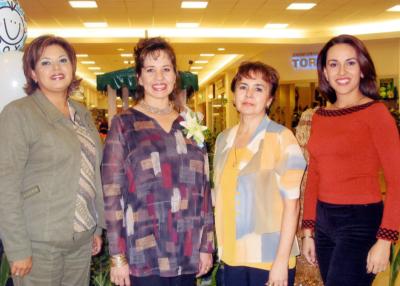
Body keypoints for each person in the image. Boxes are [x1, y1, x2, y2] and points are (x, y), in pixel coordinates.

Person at [101, 37, 214, 286]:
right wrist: (117, 256)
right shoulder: (124, 124)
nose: (159, 77)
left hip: (187, 247)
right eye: (150, 70)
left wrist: (206, 245)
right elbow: (111, 192)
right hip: (143, 250)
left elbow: (203, 189)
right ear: (139, 78)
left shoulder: (189, 123)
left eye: (166, 69)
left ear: (175, 75)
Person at [0, 35, 105, 285]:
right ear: (33, 73)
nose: (56, 68)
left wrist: (96, 228)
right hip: (39, 243)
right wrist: (17, 248)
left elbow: (92, 171)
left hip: (81, 238)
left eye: (62, 60)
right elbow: (6, 185)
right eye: (45, 63)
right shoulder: (19, 113)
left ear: (72, 66)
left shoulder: (81, 112)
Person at [301, 34, 400, 286]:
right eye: (333, 64)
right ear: (324, 71)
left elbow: (397, 179)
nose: (341, 71)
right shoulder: (321, 116)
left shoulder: (377, 114)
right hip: (324, 222)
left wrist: (385, 239)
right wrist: (308, 232)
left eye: (351, 63)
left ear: (363, 69)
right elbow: (314, 175)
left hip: (360, 222)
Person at [213, 61, 306, 286]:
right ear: (234, 95)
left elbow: (292, 207)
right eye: (243, 86)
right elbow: (220, 196)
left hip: (268, 258)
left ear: (270, 99)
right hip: (231, 254)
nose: (249, 94)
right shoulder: (223, 139)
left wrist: (281, 261)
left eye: (259, 88)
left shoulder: (283, 139)